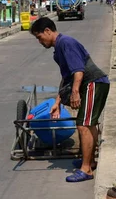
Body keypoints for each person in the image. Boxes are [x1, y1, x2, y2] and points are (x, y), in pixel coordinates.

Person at [31, 17, 110, 182]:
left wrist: (75, 93)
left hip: (93, 83)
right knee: (89, 124)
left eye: (39, 37)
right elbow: (66, 78)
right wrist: (57, 102)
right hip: (91, 84)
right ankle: (90, 161)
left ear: (47, 31)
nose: (39, 41)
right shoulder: (59, 49)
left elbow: (78, 71)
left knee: (84, 125)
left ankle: (86, 169)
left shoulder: (66, 43)